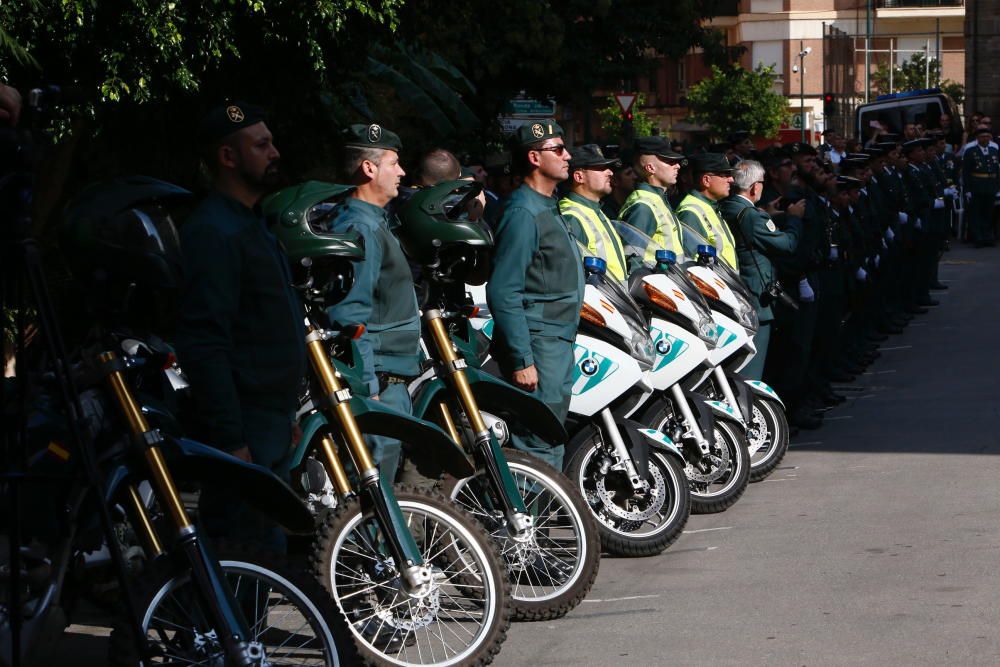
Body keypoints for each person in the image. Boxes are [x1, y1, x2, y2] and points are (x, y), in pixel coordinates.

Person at [175, 102, 305, 550]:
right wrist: (230, 439)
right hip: (244, 422)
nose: (275, 153)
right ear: (228, 157)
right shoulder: (214, 231)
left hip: (269, 418)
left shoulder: (251, 225)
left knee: (264, 549)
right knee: (242, 549)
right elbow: (205, 340)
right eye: (261, 145)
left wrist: (285, 411)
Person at [324, 123, 419, 481]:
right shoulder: (359, 226)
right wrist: (368, 390)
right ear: (369, 168)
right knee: (374, 490)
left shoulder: (373, 221)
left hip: (389, 374)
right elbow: (350, 314)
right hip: (378, 377)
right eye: (394, 163)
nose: (402, 172)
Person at [486, 119, 583, 469]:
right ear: (534, 157)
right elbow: (503, 290)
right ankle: (530, 520)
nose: (567, 155)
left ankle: (541, 514)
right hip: (539, 342)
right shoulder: (523, 212)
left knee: (550, 435)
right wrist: (523, 359)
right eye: (558, 149)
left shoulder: (546, 204)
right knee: (536, 442)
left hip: (555, 339)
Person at [719, 160, 804, 379]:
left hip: (738, 294)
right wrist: (794, 219)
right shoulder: (752, 215)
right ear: (755, 187)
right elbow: (787, 245)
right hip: (756, 298)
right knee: (752, 373)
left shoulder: (727, 207)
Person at [558, 144, 629, 282]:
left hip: (615, 299)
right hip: (598, 299)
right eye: (601, 168)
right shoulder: (572, 216)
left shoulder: (595, 210)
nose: (610, 172)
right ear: (579, 177)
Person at [619, 136, 687, 257]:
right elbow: (633, 262)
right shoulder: (643, 206)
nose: (678, 166)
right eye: (669, 162)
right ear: (650, 168)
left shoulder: (657, 200)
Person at [676, 153, 738, 269]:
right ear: (706, 180)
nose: (731, 179)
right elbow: (691, 265)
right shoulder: (691, 212)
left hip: (725, 284)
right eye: (724, 175)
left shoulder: (711, 207)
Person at [962, 126, 1000, 247]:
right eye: (982, 136)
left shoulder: (994, 150)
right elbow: (966, 172)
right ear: (977, 138)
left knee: (988, 212)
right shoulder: (970, 151)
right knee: (976, 212)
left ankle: (988, 236)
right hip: (977, 184)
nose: (985, 138)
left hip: (990, 184)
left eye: (987, 136)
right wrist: (967, 189)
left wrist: (998, 187)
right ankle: (977, 237)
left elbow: (997, 170)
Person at [600, 152, 637, 221]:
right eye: (628, 173)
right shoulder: (605, 211)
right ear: (615, 181)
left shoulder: (635, 203)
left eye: (635, 172)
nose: (635, 177)